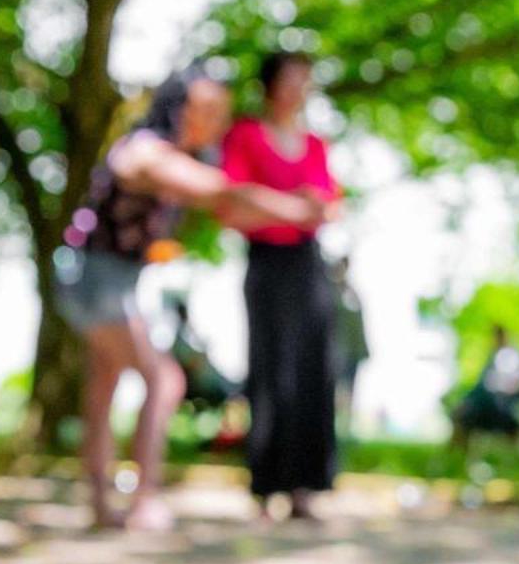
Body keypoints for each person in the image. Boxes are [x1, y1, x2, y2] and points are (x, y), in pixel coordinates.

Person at [55, 69, 326, 531]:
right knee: (163, 381)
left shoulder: (174, 157)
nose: (213, 122)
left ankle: (102, 506)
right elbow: (222, 191)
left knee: (104, 386)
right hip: (98, 280)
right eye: (204, 110)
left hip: (104, 279)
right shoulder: (147, 152)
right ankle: (145, 501)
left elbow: (227, 204)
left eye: (218, 112)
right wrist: (298, 210)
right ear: (176, 107)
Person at [222, 51, 342, 520]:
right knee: (272, 368)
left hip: (308, 263)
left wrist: (294, 207)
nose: (299, 88)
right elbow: (232, 203)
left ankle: (306, 487)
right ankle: (267, 482)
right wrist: (294, 209)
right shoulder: (247, 135)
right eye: (292, 79)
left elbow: (331, 204)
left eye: (305, 80)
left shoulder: (315, 144)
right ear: (271, 84)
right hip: (267, 263)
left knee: (315, 367)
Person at [451, 323, 519, 451]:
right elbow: (480, 386)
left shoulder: (513, 358)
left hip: (502, 404)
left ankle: (456, 454)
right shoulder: (492, 359)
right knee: (463, 413)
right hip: (484, 403)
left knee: (466, 412)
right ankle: (457, 455)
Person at [328, 254, 369, 426]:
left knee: (351, 387)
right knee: (336, 388)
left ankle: (347, 424)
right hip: (337, 351)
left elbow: (359, 313)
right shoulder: (329, 292)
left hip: (354, 350)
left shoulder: (351, 292)